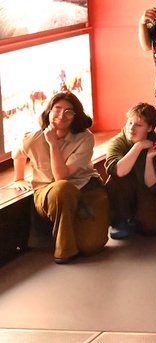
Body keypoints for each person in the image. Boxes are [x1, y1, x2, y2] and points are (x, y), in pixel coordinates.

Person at [12, 91, 109, 263]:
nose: (61, 115)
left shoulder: (85, 138)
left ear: (75, 115)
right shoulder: (34, 138)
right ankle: (65, 250)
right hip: (50, 193)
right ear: (48, 111)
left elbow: (61, 174)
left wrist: (52, 145)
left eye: (68, 111)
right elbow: (18, 154)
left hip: (85, 187)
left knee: (92, 246)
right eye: (57, 109)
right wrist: (18, 178)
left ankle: (77, 229)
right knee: (62, 189)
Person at [105, 102, 156, 239]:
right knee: (117, 179)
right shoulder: (118, 142)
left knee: (152, 228)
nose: (131, 128)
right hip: (124, 187)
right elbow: (118, 171)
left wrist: (149, 158)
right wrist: (138, 147)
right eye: (130, 122)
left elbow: (152, 184)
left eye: (138, 125)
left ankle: (136, 216)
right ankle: (119, 220)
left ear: (149, 128)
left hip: (145, 188)